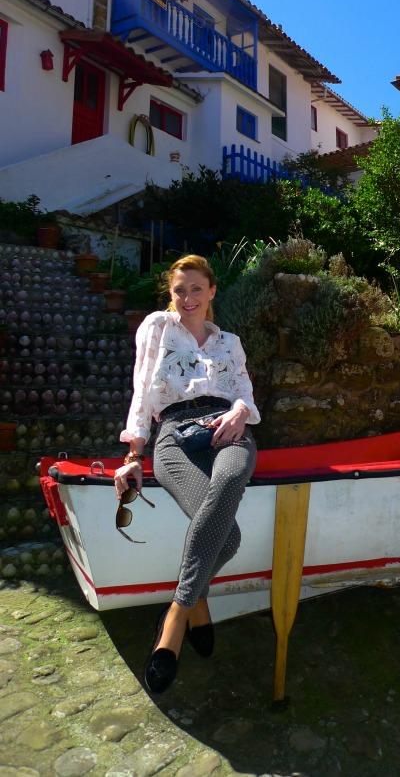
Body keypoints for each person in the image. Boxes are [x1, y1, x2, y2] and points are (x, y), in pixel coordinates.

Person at [116, 254, 260, 694]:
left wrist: (239, 412)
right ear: (170, 293)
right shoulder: (158, 327)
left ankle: (173, 617)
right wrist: (133, 453)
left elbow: (245, 394)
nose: (188, 298)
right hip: (174, 433)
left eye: (197, 288)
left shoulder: (229, 341)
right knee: (228, 537)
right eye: (180, 290)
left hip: (226, 428)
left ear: (212, 291)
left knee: (232, 478)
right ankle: (196, 603)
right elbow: (143, 387)